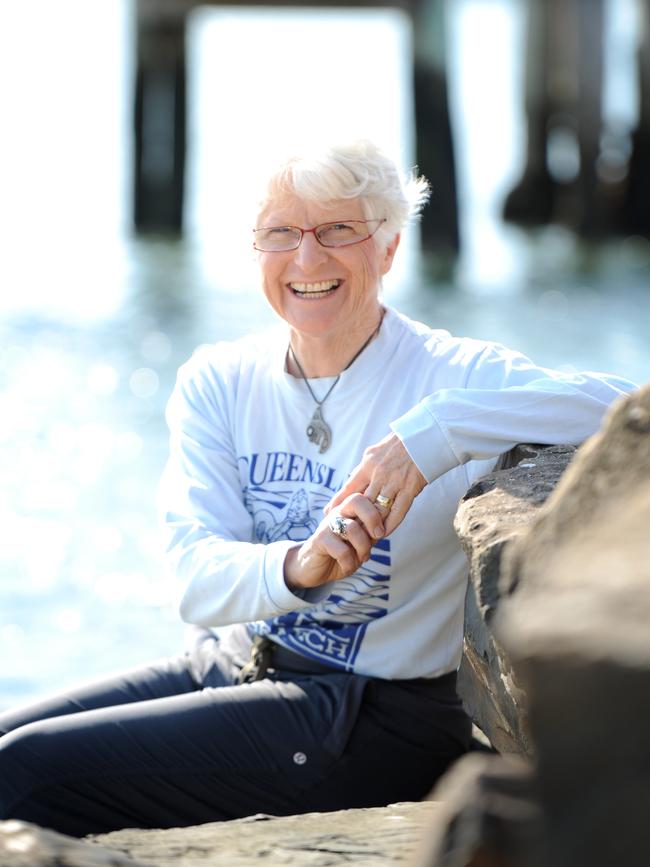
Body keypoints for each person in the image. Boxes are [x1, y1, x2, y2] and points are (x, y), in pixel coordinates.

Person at [0, 140, 636, 837]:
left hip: (372, 715)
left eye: (339, 231)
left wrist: (437, 432)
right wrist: (300, 563)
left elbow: (621, 405)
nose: (308, 260)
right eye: (282, 233)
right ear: (255, 249)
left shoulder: (450, 375)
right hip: (229, 664)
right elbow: (195, 578)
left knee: (26, 770)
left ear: (389, 247)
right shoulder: (218, 379)